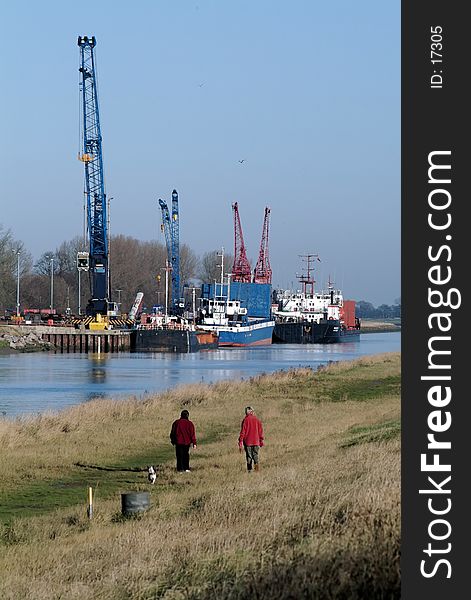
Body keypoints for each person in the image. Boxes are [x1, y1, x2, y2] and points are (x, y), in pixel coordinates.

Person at [238, 406, 264, 472]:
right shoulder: (257, 420)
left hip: (248, 442)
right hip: (256, 441)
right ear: (252, 412)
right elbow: (260, 431)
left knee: (249, 457)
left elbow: (242, 432)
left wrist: (240, 442)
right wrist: (261, 441)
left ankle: (250, 471)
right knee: (255, 455)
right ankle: (256, 470)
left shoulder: (245, 420)